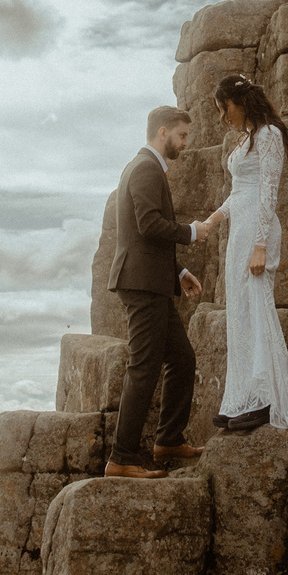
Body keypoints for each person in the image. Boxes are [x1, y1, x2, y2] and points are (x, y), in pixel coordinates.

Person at [197, 74, 288, 448]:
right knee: (240, 312)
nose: (222, 117)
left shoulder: (269, 136)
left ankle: (266, 399)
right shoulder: (246, 139)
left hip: (258, 232)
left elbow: (268, 191)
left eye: (224, 109)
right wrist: (214, 220)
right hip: (239, 231)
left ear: (240, 102)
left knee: (257, 307)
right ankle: (241, 399)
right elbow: (239, 192)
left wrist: (261, 244)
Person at [100, 105, 208, 477]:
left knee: (182, 359)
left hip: (153, 281)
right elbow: (148, 225)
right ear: (163, 133)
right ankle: (122, 458)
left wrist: (178, 271)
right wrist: (191, 232)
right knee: (143, 369)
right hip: (142, 285)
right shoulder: (146, 168)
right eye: (182, 135)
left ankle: (168, 440)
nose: (185, 143)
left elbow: (139, 234)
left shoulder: (143, 167)